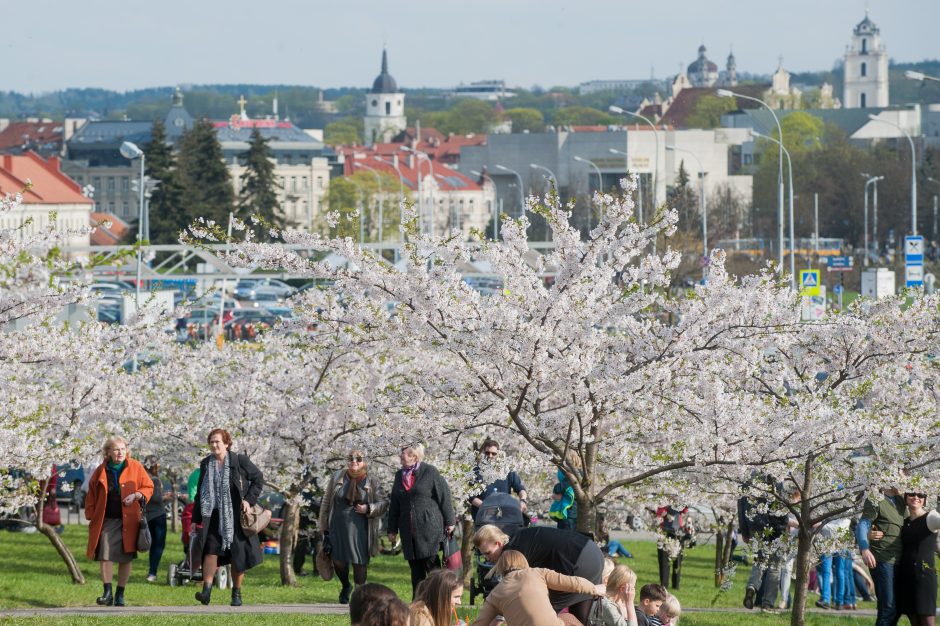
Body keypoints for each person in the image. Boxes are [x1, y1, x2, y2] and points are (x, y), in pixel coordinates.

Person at [473, 523, 605, 625]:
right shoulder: (518, 536)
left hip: (575, 559)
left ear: (498, 543)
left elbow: (516, 595)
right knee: (579, 618)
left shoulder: (514, 552)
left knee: (541, 609)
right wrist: (595, 589)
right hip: (592, 551)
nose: (487, 558)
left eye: (488, 553)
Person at [191, 428, 264, 607]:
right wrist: (195, 518)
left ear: (226, 443)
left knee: (236, 556)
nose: (214, 445)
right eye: (211, 442)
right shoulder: (206, 463)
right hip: (213, 515)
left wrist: (248, 500)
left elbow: (258, 479)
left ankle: (236, 594)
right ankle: (206, 592)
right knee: (210, 551)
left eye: (217, 441)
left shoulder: (239, 461)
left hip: (236, 515)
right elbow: (200, 493)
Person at [84, 436, 154, 607]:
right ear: (108, 452)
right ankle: (107, 592)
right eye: (116, 449)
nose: (120, 452)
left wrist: (137, 495)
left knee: (125, 558)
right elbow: (91, 494)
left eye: (123, 449)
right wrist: (91, 514)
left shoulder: (135, 466)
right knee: (105, 555)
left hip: (129, 520)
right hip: (107, 519)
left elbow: (148, 486)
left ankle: (120, 594)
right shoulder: (101, 470)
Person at [318, 449, 389, 604]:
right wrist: (323, 524)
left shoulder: (372, 480)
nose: (354, 461)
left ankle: (359, 595)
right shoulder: (337, 476)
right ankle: (345, 585)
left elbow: (383, 503)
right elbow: (326, 500)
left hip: (361, 527)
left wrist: (368, 508)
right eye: (351, 458)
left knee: (359, 562)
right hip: (337, 526)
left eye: (358, 458)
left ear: (364, 461)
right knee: (338, 561)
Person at [387, 442, 456, 596]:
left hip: (429, 527)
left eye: (403, 452)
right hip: (408, 530)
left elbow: (444, 496)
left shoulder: (430, 472)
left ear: (414, 456)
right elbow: (395, 504)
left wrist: (450, 521)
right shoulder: (399, 475)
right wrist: (392, 528)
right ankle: (417, 602)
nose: (400, 455)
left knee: (432, 566)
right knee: (415, 569)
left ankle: (439, 598)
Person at [856, 486, 905, 626]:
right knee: (888, 607)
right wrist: (864, 548)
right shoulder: (876, 498)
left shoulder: (901, 501)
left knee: (896, 608)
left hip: (899, 560)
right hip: (883, 559)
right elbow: (863, 525)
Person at [891, 492, 940, 626]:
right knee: (913, 619)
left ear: (925, 500)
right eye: (912, 494)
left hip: (924, 577)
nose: (916, 497)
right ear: (905, 497)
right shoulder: (904, 522)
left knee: (927, 620)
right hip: (906, 576)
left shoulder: (931, 517)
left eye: (921, 495)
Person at [468, 439, 528, 520]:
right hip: (482, 516)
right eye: (487, 453)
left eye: (493, 453)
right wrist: (486, 507)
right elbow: (470, 496)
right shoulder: (475, 471)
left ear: (498, 454)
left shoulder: (507, 470)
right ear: (483, 453)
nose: (490, 455)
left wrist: (523, 501)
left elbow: (519, 487)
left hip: (504, 517)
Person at [142, 455, 168, 583]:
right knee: (158, 545)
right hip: (157, 515)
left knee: (151, 544)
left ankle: (152, 572)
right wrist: (166, 497)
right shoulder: (154, 480)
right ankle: (152, 572)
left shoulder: (140, 478)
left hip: (145, 516)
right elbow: (156, 499)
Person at [654, 505, 691, 589]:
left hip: (678, 533)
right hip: (665, 533)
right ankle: (664, 585)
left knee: (677, 560)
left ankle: (676, 585)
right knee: (664, 560)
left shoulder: (680, 500)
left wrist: (682, 505)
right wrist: (667, 509)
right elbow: (659, 512)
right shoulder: (664, 501)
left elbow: (684, 511)